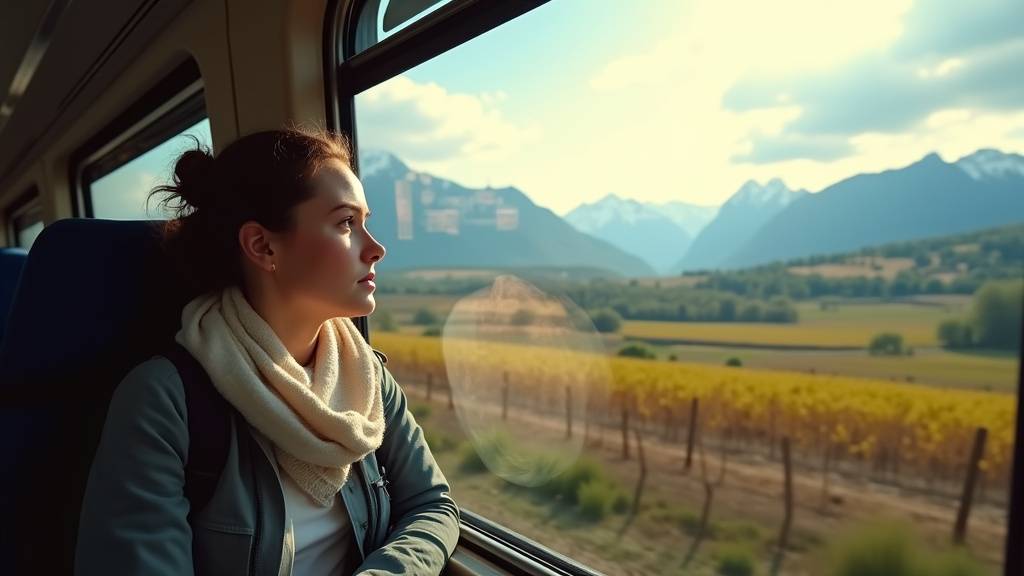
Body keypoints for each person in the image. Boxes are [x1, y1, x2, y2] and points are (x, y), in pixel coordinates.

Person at [74, 128, 459, 575]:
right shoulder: (164, 401)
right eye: (345, 223)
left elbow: (433, 504)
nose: (375, 248)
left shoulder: (365, 377)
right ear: (262, 245)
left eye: (365, 222)